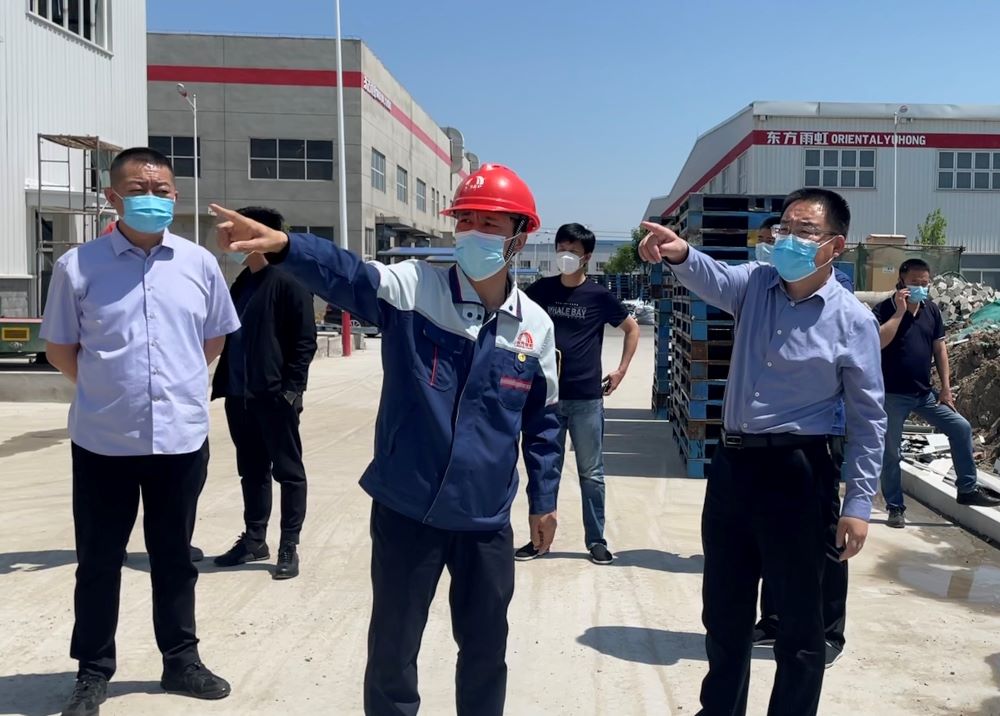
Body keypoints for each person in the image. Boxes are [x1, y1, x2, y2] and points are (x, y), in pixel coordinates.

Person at [209, 163, 561, 716]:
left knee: (486, 652)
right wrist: (287, 247)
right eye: (465, 220)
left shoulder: (534, 326)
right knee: (393, 654)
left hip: (485, 520)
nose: (473, 233)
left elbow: (543, 422)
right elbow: (348, 275)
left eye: (490, 223)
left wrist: (544, 499)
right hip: (407, 510)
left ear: (520, 235)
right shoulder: (414, 288)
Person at [639, 188, 886, 716]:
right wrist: (678, 252)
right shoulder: (755, 285)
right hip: (733, 469)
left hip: (799, 475)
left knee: (799, 625)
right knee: (723, 614)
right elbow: (711, 275)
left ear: (835, 246)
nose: (788, 239)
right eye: (784, 228)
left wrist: (859, 504)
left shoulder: (852, 321)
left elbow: (869, 419)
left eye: (804, 231)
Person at [41, 147, 239, 716]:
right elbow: (60, 348)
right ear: (113, 197)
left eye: (162, 190)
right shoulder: (78, 266)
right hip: (104, 441)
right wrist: (110, 389)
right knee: (98, 561)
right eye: (137, 189)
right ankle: (92, 671)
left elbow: (212, 339)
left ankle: (181, 660)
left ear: (175, 196)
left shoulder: (199, 264)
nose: (152, 198)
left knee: (174, 556)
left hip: (180, 439)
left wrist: (171, 386)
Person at [752, 213, 855, 666]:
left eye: (796, 234)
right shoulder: (762, 289)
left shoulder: (835, 288)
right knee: (771, 532)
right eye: (775, 237)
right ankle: (774, 619)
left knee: (824, 537)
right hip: (769, 434)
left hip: (820, 431)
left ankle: (829, 630)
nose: (779, 245)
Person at [516, 223, 640, 564]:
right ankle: (539, 540)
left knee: (592, 474)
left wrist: (621, 370)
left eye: (572, 251)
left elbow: (631, 329)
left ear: (586, 257)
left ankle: (596, 540)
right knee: (544, 471)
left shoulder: (599, 296)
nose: (564, 255)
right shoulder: (540, 290)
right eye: (561, 248)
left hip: (587, 398)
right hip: (547, 398)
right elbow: (516, 321)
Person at [210, 206, 317, 579]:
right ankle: (255, 539)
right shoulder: (243, 281)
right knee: (252, 471)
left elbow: (304, 341)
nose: (228, 237)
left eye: (235, 230)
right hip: (240, 395)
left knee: (288, 472)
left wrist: (292, 391)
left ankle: (289, 543)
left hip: (274, 396)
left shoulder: (289, 280)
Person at [876, 258, 1000, 528]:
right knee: (891, 453)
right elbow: (878, 342)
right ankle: (895, 507)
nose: (920, 287)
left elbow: (940, 349)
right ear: (901, 280)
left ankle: (967, 489)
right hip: (892, 395)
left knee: (960, 427)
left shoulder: (931, 310)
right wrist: (899, 312)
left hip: (925, 394)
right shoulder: (884, 309)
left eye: (925, 282)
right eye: (915, 282)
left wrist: (945, 388)